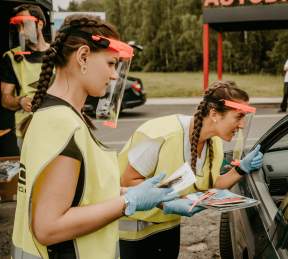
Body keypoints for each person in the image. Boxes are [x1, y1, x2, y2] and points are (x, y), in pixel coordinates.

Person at [12, 14, 177, 259]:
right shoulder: (61, 123)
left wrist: (139, 194)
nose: (114, 76)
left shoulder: (57, 114)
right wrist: (128, 202)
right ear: (83, 56)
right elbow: (48, 228)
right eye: (111, 64)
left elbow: (80, 194)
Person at [118, 80, 264, 258]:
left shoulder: (214, 142)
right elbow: (128, 181)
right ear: (214, 113)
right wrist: (166, 203)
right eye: (239, 117)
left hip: (168, 227)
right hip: (133, 231)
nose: (242, 125)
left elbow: (213, 182)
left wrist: (241, 169)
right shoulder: (164, 134)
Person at [0, 4, 50, 147]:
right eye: (18, 27)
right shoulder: (11, 57)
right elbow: (5, 99)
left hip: (59, 127)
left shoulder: (59, 55)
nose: (21, 32)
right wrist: (20, 101)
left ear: (40, 24)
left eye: (25, 25)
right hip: (27, 131)